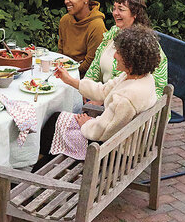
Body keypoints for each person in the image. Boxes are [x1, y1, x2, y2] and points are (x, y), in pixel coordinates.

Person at [35, 25, 161, 168]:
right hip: (122, 141)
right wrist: (70, 80)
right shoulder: (141, 77)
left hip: (114, 153)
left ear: (131, 60)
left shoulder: (125, 98)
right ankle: (43, 161)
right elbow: (103, 91)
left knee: (55, 123)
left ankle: (38, 169)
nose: (114, 56)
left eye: (119, 53)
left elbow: (102, 131)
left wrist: (86, 123)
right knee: (57, 120)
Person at [83, 0, 168, 101]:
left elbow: (137, 86)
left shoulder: (142, 43)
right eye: (114, 8)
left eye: (121, 9)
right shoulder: (114, 31)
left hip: (131, 103)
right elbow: (96, 64)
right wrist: (86, 86)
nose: (115, 13)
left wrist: (102, 99)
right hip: (106, 94)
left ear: (135, 14)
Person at [58, 0, 106, 76]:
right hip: (63, 71)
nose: (66, 1)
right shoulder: (65, 20)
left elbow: (91, 62)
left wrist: (70, 74)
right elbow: (60, 51)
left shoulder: (97, 25)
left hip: (83, 77)